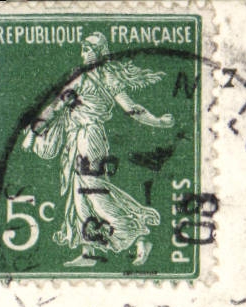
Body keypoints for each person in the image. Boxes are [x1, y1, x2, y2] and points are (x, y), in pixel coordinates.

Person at [22, 32, 173, 267]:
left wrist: (158, 121)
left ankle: (137, 235)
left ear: (101, 51)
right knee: (79, 194)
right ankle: (89, 251)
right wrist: (32, 132)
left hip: (90, 137)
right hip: (76, 138)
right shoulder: (78, 77)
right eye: (84, 47)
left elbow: (131, 108)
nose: (86, 51)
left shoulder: (107, 78)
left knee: (94, 190)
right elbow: (55, 107)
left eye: (91, 47)